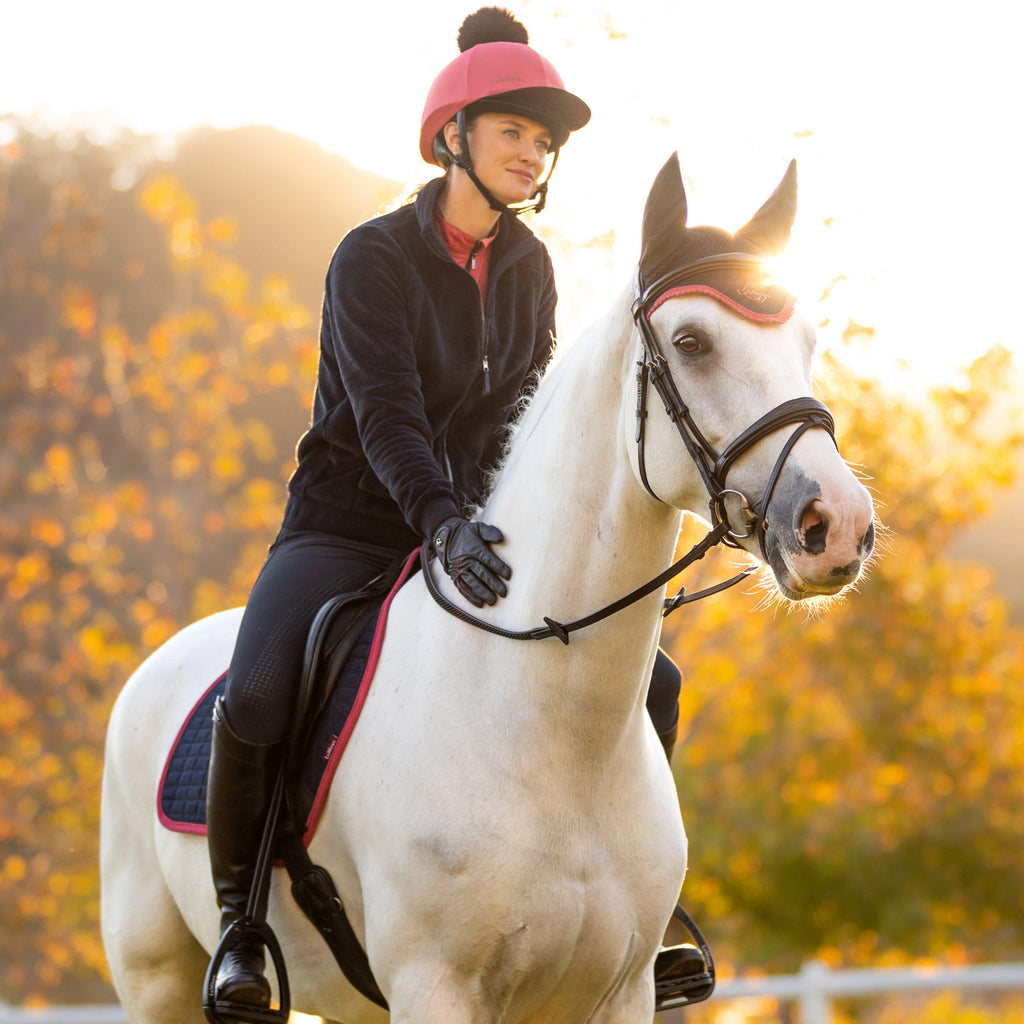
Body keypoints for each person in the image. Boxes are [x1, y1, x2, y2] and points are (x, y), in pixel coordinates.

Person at [204, 5, 689, 1012]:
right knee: (255, 693)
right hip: (349, 524)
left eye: (543, 139)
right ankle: (242, 930)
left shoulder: (530, 268)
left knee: (653, 678)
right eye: (513, 130)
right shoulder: (370, 257)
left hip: (477, 531)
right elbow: (383, 415)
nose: (533, 151)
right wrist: (436, 519)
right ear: (453, 136)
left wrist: (532, 535)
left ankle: (646, 903)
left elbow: (521, 416)